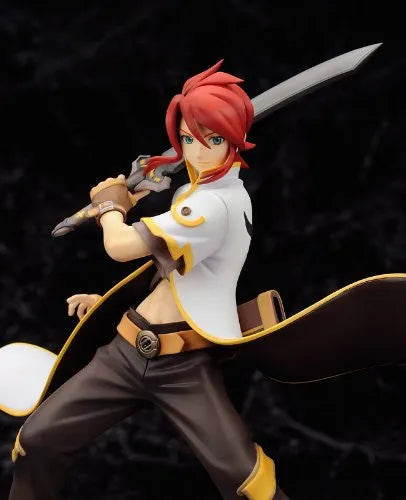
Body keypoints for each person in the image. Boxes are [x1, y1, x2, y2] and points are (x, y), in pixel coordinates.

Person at [8, 60, 288, 500]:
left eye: (214, 139)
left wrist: (110, 206)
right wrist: (107, 305)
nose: (198, 152)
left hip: (183, 365)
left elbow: (120, 247)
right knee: (36, 442)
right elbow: (176, 271)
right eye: (188, 139)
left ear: (235, 140)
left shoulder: (215, 206)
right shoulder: (195, 192)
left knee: (246, 481)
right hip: (125, 351)